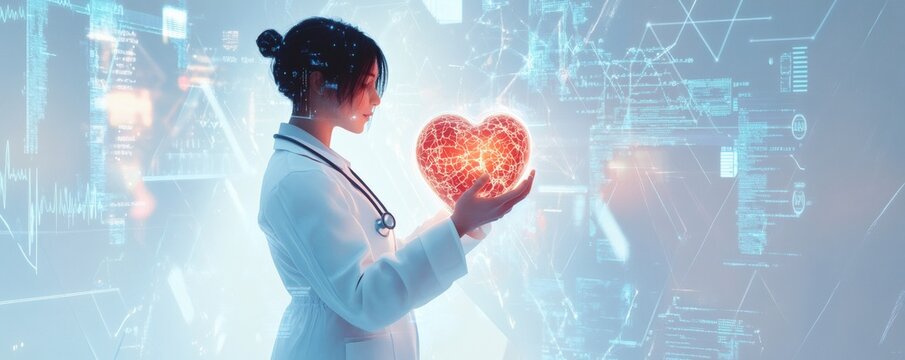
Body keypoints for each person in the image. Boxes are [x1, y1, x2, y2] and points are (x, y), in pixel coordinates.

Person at [255, 17, 535, 360]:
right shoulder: (298, 179)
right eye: (367, 83)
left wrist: (457, 222)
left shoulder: (316, 167)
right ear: (318, 82)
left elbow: (380, 260)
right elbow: (364, 299)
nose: (376, 99)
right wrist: (456, 225)